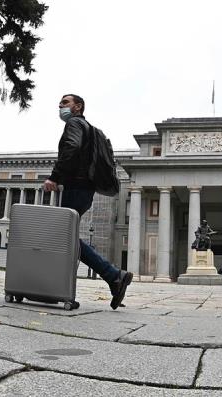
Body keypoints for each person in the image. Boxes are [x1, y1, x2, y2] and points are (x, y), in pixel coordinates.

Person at [44, 94, 132, 310]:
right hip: (86, 188)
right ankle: (112, 278)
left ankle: (113, 275)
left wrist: (55, 177)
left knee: (66, 237)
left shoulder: (74, 123)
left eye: (65, 102)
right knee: (68, 237)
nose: (60, 106)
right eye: (60, 103)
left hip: (76, 185)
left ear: (78, 107)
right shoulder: (91, 129)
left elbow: (72, 148)